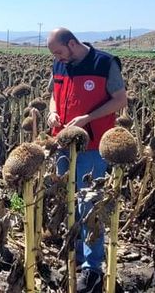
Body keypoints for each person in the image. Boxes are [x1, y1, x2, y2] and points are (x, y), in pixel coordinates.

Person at [46, 27, 127, 293]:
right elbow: (52, 96)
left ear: (71, 43)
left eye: (59, 51)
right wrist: (53, 113)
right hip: (62, 143)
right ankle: (75, 257)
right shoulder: (60, 63)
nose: (58, 57)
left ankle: (93, 268)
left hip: (93, 145)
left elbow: (119, 100)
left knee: (90, 205)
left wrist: (87, 118)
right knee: (66, 199)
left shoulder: (104, 63)